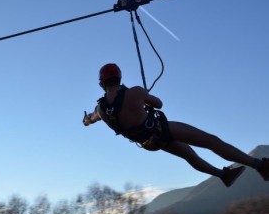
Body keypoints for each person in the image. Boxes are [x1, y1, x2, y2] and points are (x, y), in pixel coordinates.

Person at [83, 63, 269, 187]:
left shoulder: (101, 109)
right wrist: (145, 98)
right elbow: (158, 104)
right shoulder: (135, 93)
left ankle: (223, 175)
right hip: (160, 129)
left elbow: (91, 118)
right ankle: (259, 165)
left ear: (102, 83)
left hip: (149, 143)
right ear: (119, 78)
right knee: (210, 141)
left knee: (190, 156)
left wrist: (86, 120)